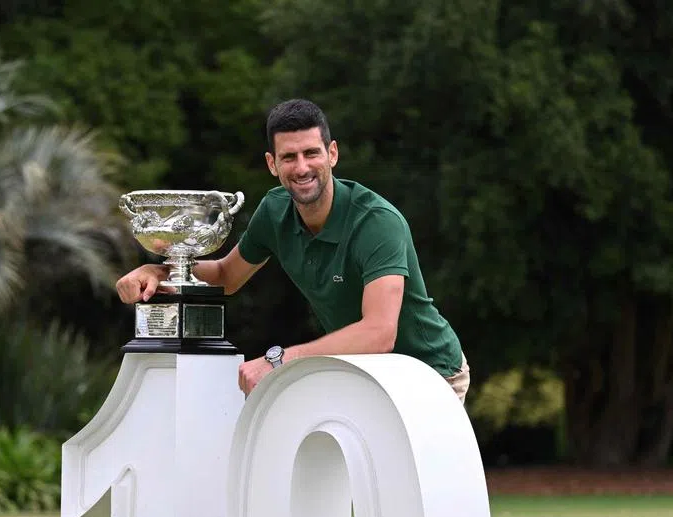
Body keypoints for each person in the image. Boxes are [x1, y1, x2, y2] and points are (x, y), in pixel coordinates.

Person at [116, 98, 469, 403]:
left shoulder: (376, 221)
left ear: (332, 154)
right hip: (363, 371)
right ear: (272, 164)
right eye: (289, 157)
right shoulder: (274, 210)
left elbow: (380, 332)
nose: (302, 168)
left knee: (399, 481)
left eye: (311, 153)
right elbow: (227, 275)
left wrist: (279, 359)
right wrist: (161, 270)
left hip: (430, 373)